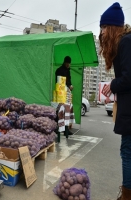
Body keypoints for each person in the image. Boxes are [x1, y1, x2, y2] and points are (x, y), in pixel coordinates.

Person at [99, 2, 131, 199]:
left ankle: (127, 195)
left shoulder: (126, 42)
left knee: (127, 151)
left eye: (103, 28)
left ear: (111, 28)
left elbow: (129, 78)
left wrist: (113, 85)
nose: (101, 33)